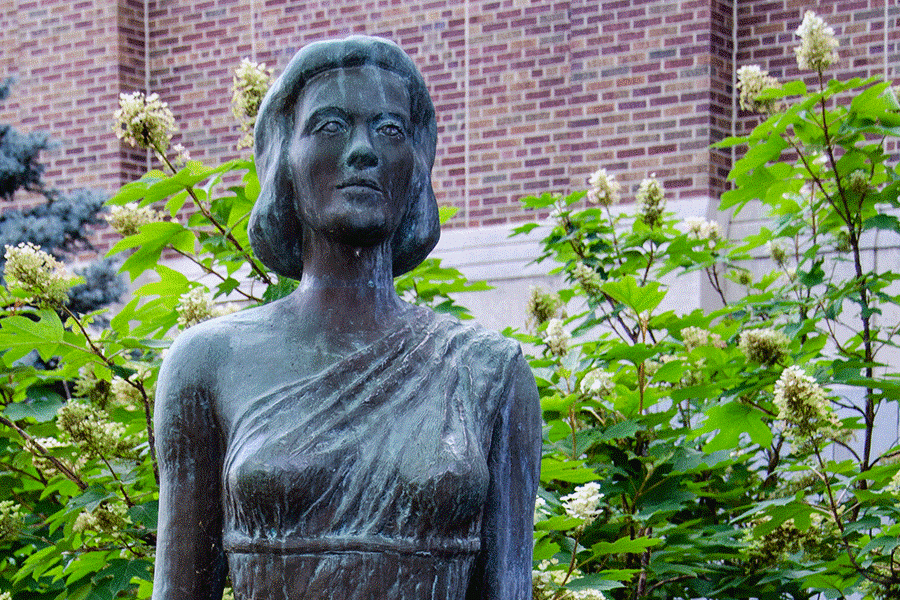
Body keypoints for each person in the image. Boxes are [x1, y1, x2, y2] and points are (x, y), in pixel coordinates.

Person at [152, 36, 541, 600]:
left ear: (416, 165)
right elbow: (181, 589)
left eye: (390, 131)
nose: (363, 151)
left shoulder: (489, 373)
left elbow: (509, 589)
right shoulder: (207, 363)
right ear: (285, 156)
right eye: (331, 126)